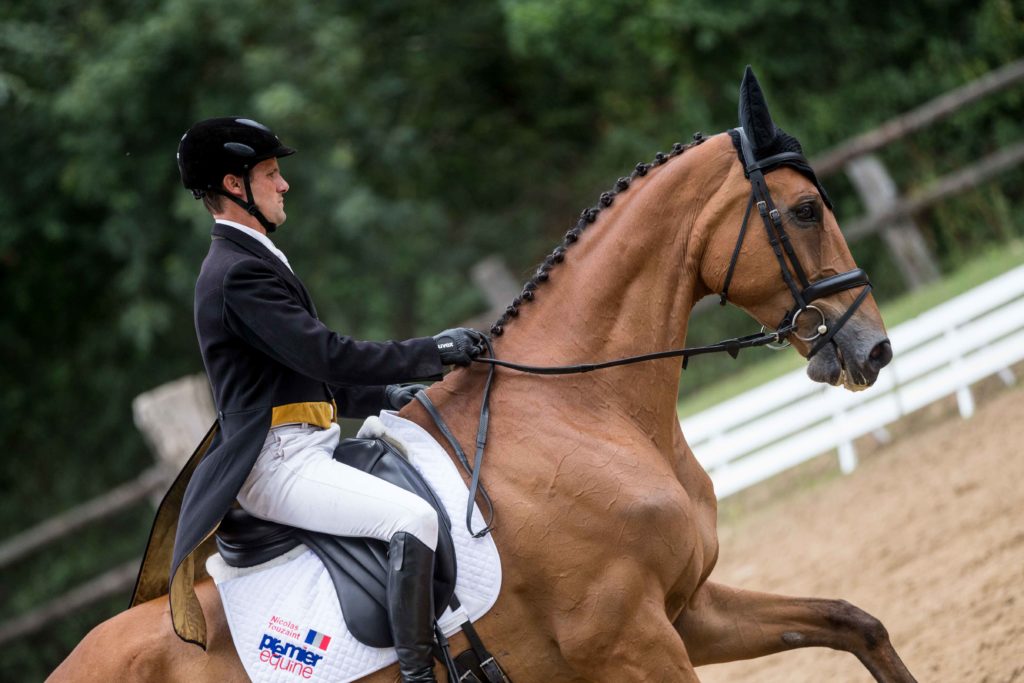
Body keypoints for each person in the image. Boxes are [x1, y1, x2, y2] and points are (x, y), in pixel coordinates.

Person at [171, 116, 485, 683]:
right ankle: (420, 676)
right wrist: (431, 352)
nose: (284, 184)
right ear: (235, 186)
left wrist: (386, 391)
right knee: (410, 518)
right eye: (270, 174)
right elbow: (328, 356)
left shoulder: (256, 258)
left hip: (309, 446)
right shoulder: (235, 274)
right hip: (277, 465)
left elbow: (313, 378)